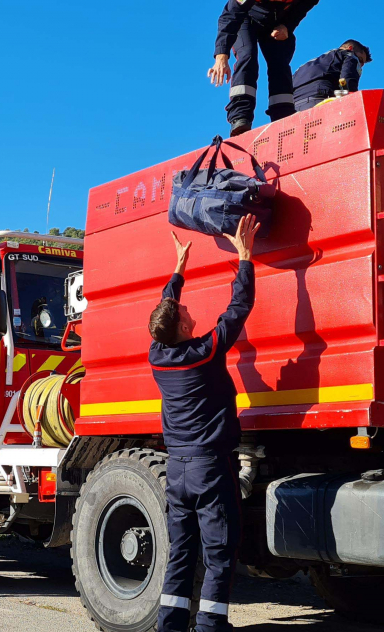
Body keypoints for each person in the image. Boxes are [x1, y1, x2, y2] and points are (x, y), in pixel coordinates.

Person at [148, 214, 259, 632]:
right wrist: (245, 256)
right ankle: (211, 626)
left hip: (176, 470)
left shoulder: (158, 357)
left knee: (181, 551)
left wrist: (179, 268)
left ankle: (170, 625)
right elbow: (238, 308)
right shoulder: (205, 351)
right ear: (182, 327)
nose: (186, 310)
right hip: (210, 469)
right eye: (183, 311)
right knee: (219, 550)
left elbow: (164, 311)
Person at [210, 0, 326, 136]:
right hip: (246, 19)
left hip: (277, 22)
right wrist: (222, 54)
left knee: (280, 63)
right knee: (247, 56)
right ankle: (240, 119)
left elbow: (305, 5)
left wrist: (287, 25)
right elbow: (232, 13)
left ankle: (283, 118)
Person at [290, 39, 372, 113]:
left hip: (294, 109)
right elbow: (348, 80)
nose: (360, 65)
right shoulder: (348, 55)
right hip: (320, 103)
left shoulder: (302, 67)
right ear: (350, 48)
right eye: (360, 60)